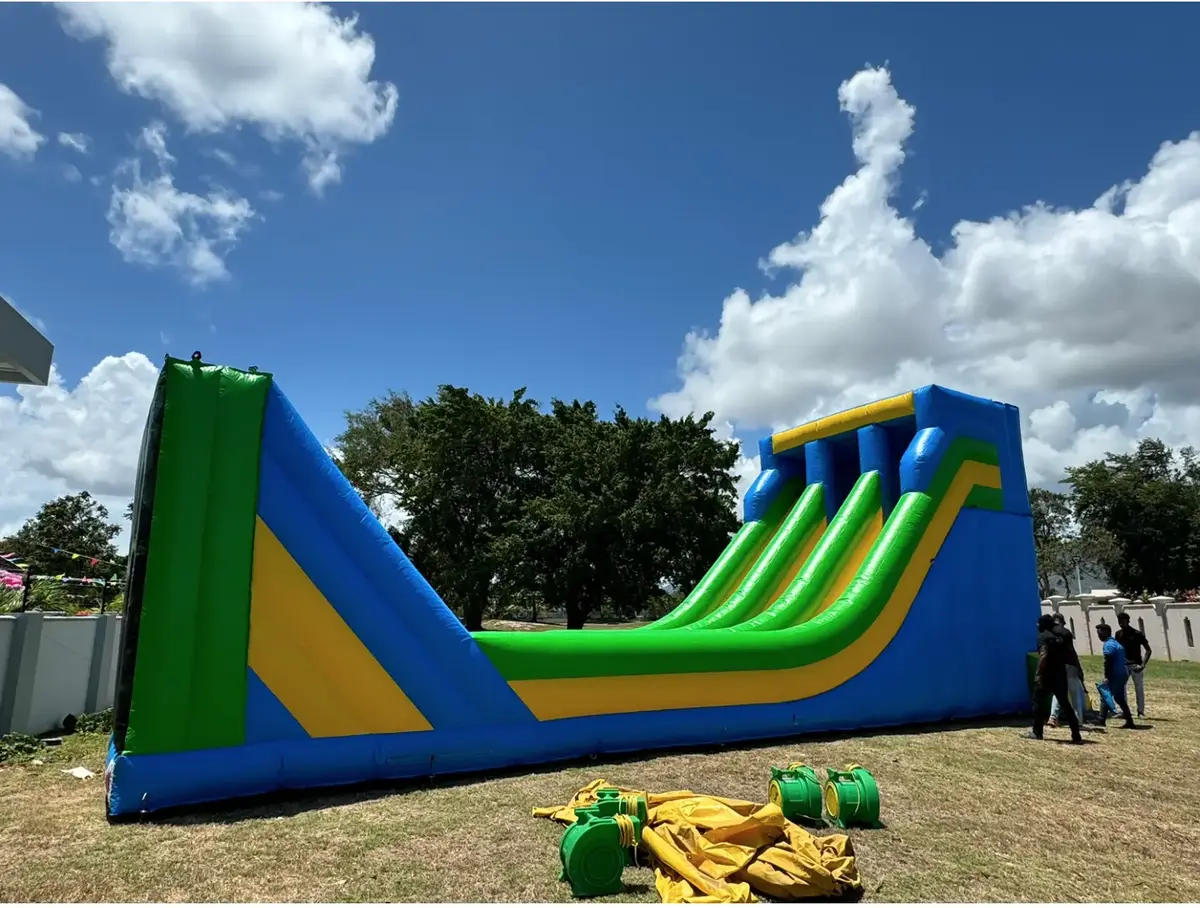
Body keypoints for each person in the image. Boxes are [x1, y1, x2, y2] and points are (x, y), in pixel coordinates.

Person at [1025, 614, 1083, 743]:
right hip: (1060, 674)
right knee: (1065, 704)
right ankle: (1076, 734)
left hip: (1047, 675)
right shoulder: (1058, 638)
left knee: (1037, 702)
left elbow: (1044, 655)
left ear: (1042, 625)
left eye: (1038, 624)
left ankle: (1037, 732)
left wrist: (1039, 674)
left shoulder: (1043, 637)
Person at [1048, 614, 1088, 726]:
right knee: (1069, 694)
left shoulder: (1055, 634)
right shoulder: (1064, 633)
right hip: (1067, 667)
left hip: (1064, 667)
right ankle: (1074, 719)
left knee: (1065, 693)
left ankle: (1056, 717)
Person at [1096, 622, 1135, 728]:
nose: (1099, 636)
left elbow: (1108, 661)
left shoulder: (1109, 645)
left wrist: (1107, 676)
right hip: (1122, 674)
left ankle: (1101, 720)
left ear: (1106, 632)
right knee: (1119, 698)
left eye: (1100, 633)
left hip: (1114, 675)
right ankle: (1130, 721)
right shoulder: (1116, 643)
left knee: (1105, 695)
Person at [1115, 612, 1151, 718]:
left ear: (1128, 621)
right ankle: (1125, 711)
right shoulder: (1118, 634)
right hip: (1123, 665)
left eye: (1123, 621)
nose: (1121, 624)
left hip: (1136, 665)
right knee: (1121, 688)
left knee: (1138, 688)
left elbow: (1148, 650)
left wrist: (1143, 665)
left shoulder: (1137, 634)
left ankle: (1140, 711)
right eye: (1119, 621)